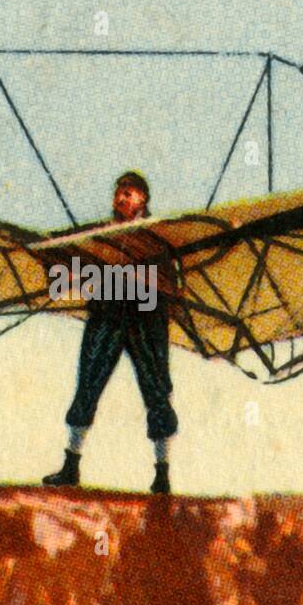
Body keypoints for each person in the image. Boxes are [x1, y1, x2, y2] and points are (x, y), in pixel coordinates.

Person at [43, 171, 178, 494]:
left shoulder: (157, 236)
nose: (120, 198)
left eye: (128, 193)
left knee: (157, 390)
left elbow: (171, 285)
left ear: (142, 199)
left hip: (146, 314)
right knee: (88, 383)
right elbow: (68, 273)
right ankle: (71, 465)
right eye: (118, 193)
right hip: (108, 310)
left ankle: (162, 473)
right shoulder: (99, 236)